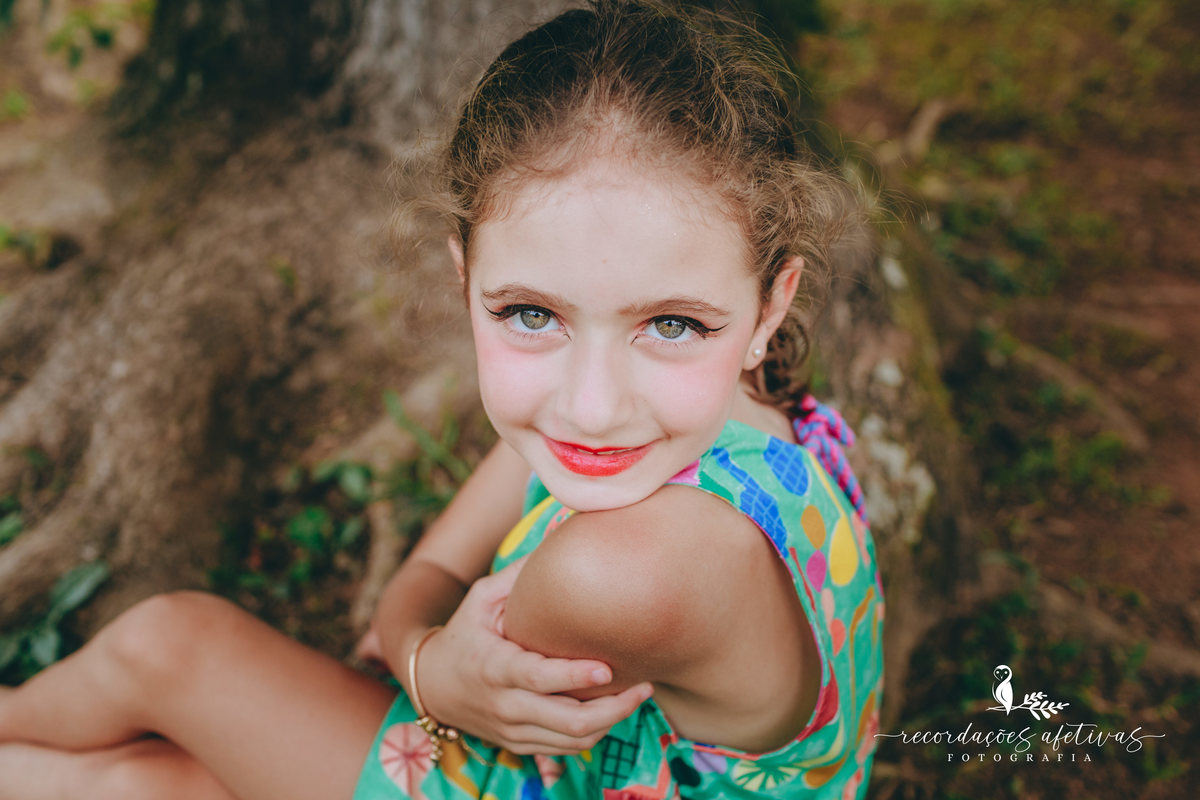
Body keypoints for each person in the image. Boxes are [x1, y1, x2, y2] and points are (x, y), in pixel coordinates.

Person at [0, 1, 885, 798]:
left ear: (772, 305)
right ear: (466, 280)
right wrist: (426, 659)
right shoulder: (711, 421)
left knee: (167, 664)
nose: (589, 404)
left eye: (673, 325)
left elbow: (417, 640)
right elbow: (413, 598)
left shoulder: (620, 571)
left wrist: (424, 663)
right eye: (532, 314)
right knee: (143, 778)